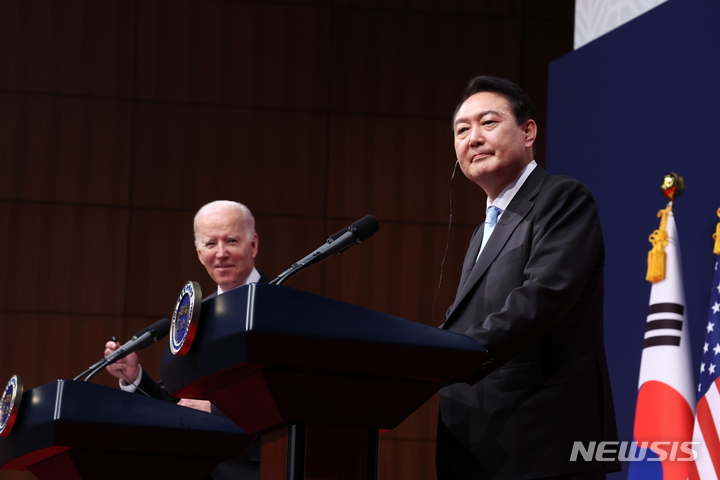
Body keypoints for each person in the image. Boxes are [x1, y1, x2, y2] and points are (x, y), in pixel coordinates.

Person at [436, 76, 619, 480]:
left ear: (528, 131)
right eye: (462, 130)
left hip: (544, 442)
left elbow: (541, 298)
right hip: (482, 446)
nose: (473, 138)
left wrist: (445, 355)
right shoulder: (482, 231)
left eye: (488, 123)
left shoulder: (563, 198)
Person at [105, 200, 266, 479]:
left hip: (255, 467)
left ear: (253, 245)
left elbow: (288, 393)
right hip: (195, 466)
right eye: (210, 243)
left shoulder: (279, 307)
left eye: (231, 240)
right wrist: (135, 378)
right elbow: (177, 403)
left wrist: (215, 408)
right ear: (198, 252)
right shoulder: (193, 316)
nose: (221, 253)